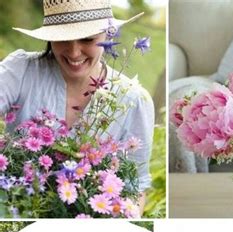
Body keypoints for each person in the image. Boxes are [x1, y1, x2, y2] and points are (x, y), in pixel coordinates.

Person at [0, 0, 154, 212]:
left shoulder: (132, 99)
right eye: (63, 39)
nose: (73, 52)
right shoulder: (20, 71)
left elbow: (136, 186)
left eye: (87, 39)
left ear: (108, 34)